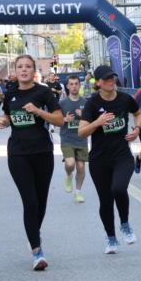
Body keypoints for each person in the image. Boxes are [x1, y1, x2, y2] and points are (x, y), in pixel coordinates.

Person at [0, 55, 64, 270]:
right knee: (30, 202)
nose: (23, 70)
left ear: (34, 70)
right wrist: (3, 121)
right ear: (15, 71)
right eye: (20, 67)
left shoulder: (43, 92)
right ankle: (37, 251)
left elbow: (59, 119)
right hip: (18, 154)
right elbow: (7, 117)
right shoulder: (11, 94)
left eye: (27, 67)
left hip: (42, 151)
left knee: (41, 202)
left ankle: (33, 233)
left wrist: (38, 111)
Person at [78, 65, 141, 254]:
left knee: (119, 188)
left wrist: (137, 129)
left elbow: (138, 113)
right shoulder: (92, 104)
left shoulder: (125, 99)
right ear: (98, 83)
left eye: (112, 78)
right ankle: (111, 238)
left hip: (122, 155)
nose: (110, 81)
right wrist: (98, 122)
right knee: (105, 200)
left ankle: (125, 224)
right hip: (99, 159)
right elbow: (81, 132)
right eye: (106, 79)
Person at [59, 75, 88, 203]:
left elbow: (92, 122)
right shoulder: (62, 103)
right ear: (67, 86)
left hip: (81, 139)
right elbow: (55, 120)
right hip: (67, 139)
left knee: (81, 167)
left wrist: (84, 116)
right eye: (71, 84)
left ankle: (78, 192)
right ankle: (69, 176)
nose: (74, 86)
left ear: (79, 85)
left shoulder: (85, 103)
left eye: (76, 83)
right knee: (70, 163)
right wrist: (65, 119)